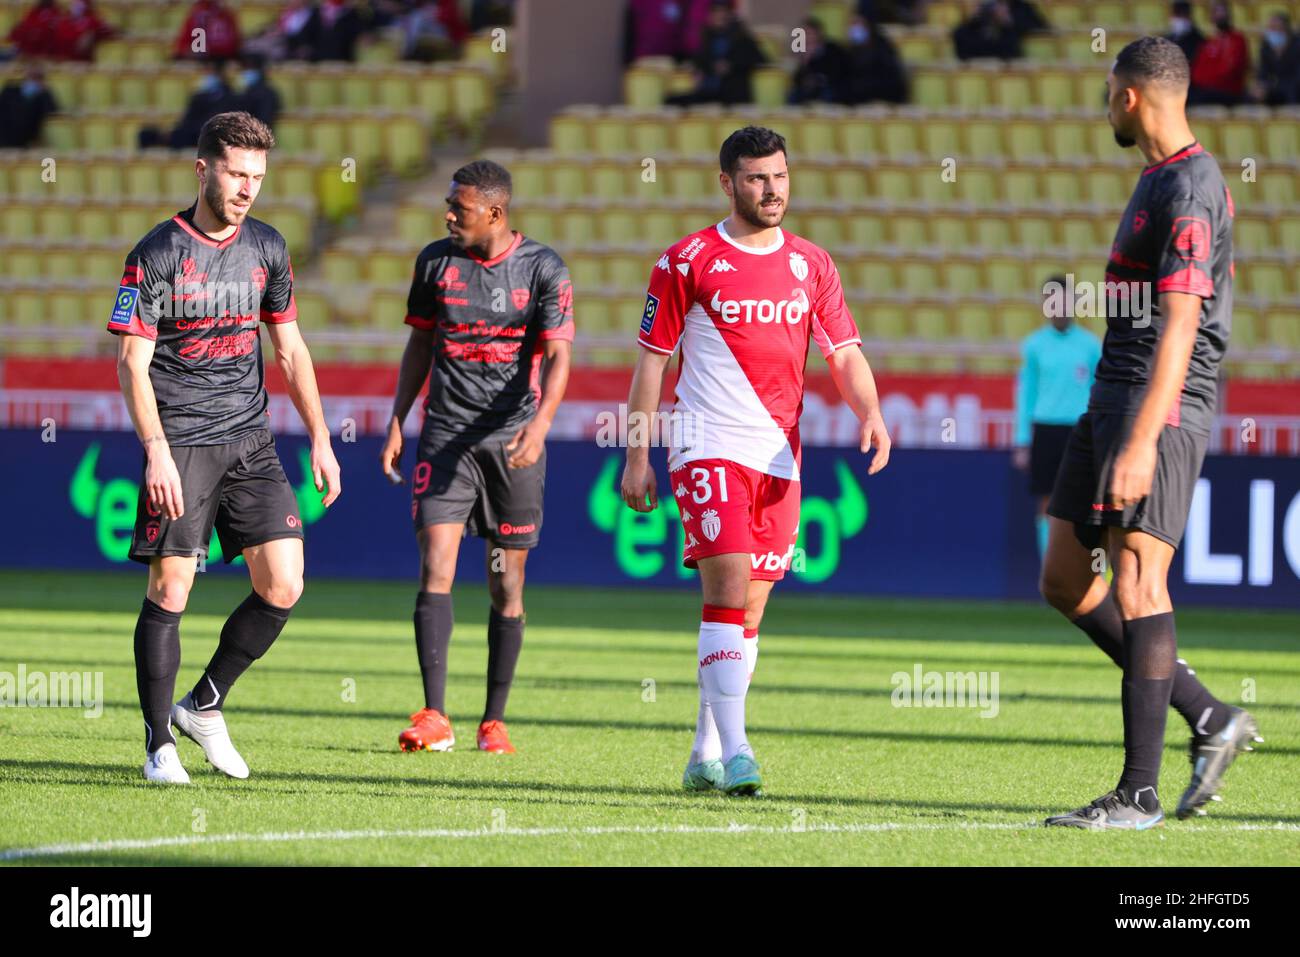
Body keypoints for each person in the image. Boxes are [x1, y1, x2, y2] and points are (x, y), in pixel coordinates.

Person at [621, 127, 892, 796]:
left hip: (780, 454)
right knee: (728, 591)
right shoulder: (686, 260)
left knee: (750, 613)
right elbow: (651, 363)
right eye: (755, 179)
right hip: (705, 441)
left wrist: (871, 412)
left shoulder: (811, 264)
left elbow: (846, 353)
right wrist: (637, 454)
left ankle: (704, 748)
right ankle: (740, 746)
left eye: (779, 177)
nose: (771, 190)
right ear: (727, 183)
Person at [1040, 37, 1258, 829]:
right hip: (1114, 390)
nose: (1105, 105)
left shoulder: (1192, 187)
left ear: (1130, 96)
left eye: (1108, 92)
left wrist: (1142, 438)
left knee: (1138, 581)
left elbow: (1181, 322)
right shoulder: (1158, 178)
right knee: (1065, 575)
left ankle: (1137, 792)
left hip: (1157, 403)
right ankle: (1210, 716)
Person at [110, 111, 342, 784]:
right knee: (172, 585)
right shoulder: (155, 253)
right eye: (236, 173)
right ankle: (159, 744)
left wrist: (322, 439)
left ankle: (205, 703)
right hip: (180, 436)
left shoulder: (268, 246)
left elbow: (290, 350)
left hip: (251, 436)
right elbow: (131, 360)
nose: (246, 188)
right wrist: (154, 450)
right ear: (204, 168)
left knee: (285, 580)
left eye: (257, 177)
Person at [382, 160, 574, 756]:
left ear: (494, 212)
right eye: (447, 203)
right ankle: (435, 715)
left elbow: (561, 356)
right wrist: (396, 420)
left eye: (458, 207)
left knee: (505, 586)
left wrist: (542, 426)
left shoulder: (543, 269)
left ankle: (493, 720)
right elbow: (420, 341)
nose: (447, 215)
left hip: (513, 443)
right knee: (436, 565)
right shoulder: (435, 262)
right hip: (445, 439)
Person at [1013, 275, 1102, 562]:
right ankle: (1050, 568)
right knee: (1046, 502)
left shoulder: (1090, 346)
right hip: (1046, 429)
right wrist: (1023, 441)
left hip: (1080, 431)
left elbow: (1100, 393)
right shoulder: (1034, 345)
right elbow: (1026, 394)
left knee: (1088, 501)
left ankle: (1091, 569)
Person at [665, 0, 766, 106]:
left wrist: (731, 66)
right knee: (671, 100)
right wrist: (703, 68)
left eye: (723, 12)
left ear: (730, 14)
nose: (719, 16)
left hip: (732, 92)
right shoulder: (707, 37)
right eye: (716, 12)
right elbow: (700, 61)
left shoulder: (742, 38)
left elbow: (760, 60)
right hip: (708, 90)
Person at [138, 61, 235, 150]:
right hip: (189, 132)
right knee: (146, 134)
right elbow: (187, 119)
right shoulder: (199, 96)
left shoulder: (229, 95)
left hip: (206, 135)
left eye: (211, 71)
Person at [1189, 2, 1249, 105]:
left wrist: (1205, 83)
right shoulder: (1208, 43)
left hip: (1227, 91)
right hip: (1206, 90)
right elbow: (1197, 70)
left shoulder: (1237, 39)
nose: (1220, 15)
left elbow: (1232, 68)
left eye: (1223, 11)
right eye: (1216, 11)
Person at [842, 14, 907, 104]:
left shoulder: (882, 46)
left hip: (884, 93)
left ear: (868, 26)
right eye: (851, 25)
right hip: (861, 95)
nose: (854, 29)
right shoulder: (851, 49)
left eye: (857, 24)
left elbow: (890, 77)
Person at [789, 16, 848, 105]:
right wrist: (805, 62)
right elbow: (797, 80)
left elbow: (836, 73)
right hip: (810, 89)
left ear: (819, 33)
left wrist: (818, 79)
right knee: (793, 95)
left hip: (829, 86)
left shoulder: (832, 49)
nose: (806, 37)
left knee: (828, 93)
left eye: (809, 33)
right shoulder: (804, 50)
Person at [0, 63, 59, 147]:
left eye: (38, 77)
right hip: (6, 135)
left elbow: (52, 114)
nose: (33, 80)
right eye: (31, 76)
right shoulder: (10, 89)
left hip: (30, 138)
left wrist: (44, 92)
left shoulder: (45, 94)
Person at [1254, 11, 1300, 105]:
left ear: (1286, 29)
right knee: (1256, 94)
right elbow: (1263, 72)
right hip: (1277, 87)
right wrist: (1261, 86)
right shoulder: (1266, 46)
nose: (1273, 32)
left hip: (1295, 88)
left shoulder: (1297, 45)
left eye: (1276, 28)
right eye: (1271, 28)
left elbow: (1297, 77)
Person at [172, 0, 241, 61]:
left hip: (219, 59)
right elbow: (183, 45)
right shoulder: (196, 13)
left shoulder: (227, 14)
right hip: (205, 58)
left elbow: (234, 43)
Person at [953, 0, 1022, 61]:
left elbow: (1013, 54)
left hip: (1001, 68)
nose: (977, 10)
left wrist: (1007, 27)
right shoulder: (961, 32)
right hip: (974, 67)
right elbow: (964, 55)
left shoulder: (1006, 30)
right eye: (973, 6)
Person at [233, 53, 280, 128]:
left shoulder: (267, 94)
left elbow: (264, 120)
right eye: (244, 68)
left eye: (250, 68)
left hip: (256, 135)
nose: (245, 72)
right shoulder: (240, 92)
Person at [1164, 1, 1204, 68]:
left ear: (1189, 16)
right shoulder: (1167, 40)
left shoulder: (1198, 40)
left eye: (1182, 14)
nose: (1179, 18)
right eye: (1177, 14)